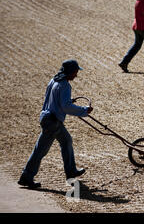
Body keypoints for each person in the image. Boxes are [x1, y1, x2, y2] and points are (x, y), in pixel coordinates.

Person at [18, 59, 93, 188]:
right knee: (46, 149)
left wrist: (69, 101)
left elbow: (54, 99)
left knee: (61, 143)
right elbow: (65, 107)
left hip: (47, 118)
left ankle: (69, 171)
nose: (76, 75)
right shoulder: (64, 85)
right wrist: (84, 110)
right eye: (75, 72)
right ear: (70, 72)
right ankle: (28, 176)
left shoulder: (54, 80)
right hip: (53, 122)